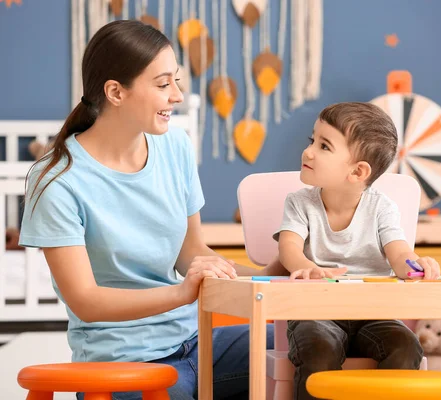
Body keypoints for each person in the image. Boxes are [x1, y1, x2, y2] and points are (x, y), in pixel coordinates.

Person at [19, 20, 283, 400]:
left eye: (176, 81)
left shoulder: (175, 145)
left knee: (305, 340)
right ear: (115, 92)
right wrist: (180, 294)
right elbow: (86, 301)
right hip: (122, 365)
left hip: (197, 344)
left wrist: (270, 276)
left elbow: (192, 255)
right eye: (163, 84)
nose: (177, 95)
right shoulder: (57, 180)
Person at [273, 102, 441, 400]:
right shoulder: (299, 203)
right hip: (316, 313)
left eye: (324, 146)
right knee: (318, 349)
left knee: (406, 346)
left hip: (372, 314)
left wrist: (417, 265)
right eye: (312, 140)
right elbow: (288, 248)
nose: (309, 151)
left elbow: (399, 252)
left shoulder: (381, 208)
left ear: (357, 171)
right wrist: (304, 266)